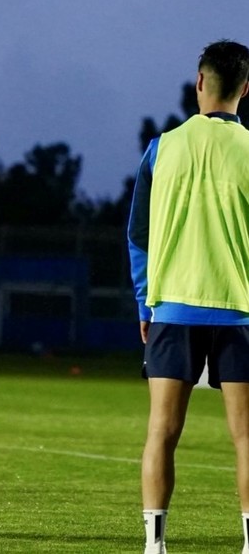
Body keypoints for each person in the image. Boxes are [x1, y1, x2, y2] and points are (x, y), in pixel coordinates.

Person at [128, 40, 249, 554]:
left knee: (162, 430)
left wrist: (144, 304)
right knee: (246, 437)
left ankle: (156, 547)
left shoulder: (161, 148)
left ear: (200, 82)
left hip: (172, 307)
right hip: (240, 308)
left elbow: (138, 236)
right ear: (245, 89)